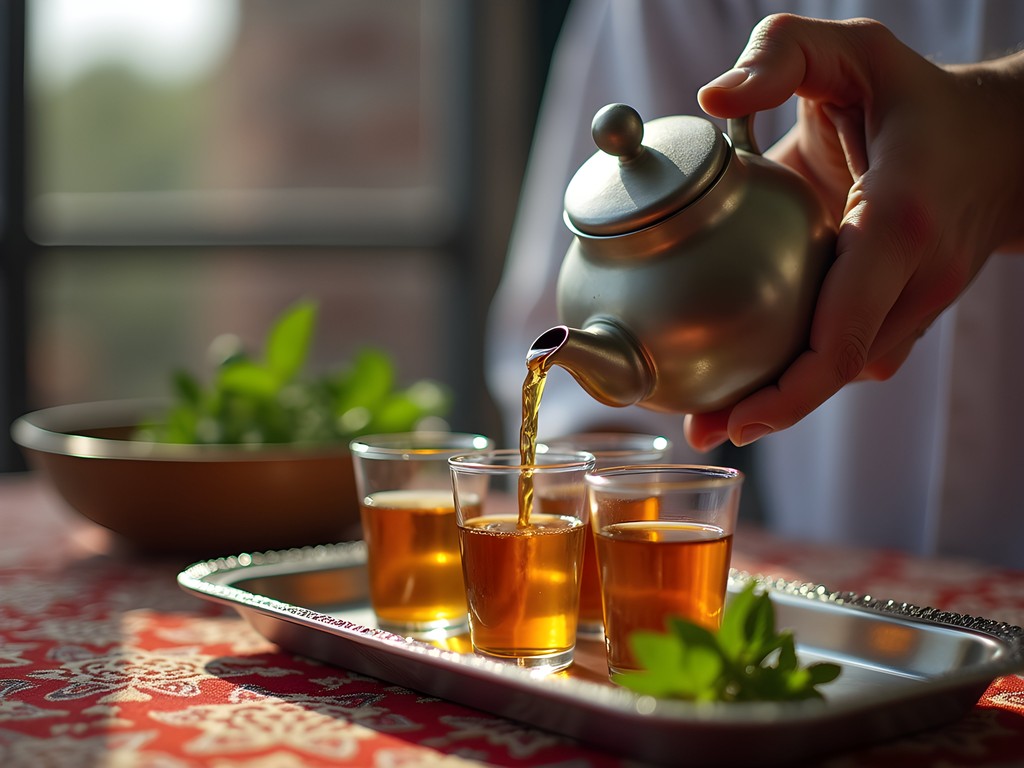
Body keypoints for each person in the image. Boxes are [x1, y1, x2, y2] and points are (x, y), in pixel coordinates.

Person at [485, 0, 1024, 567]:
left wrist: (1000, 120)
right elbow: (594, 418)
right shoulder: (591, 255)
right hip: (844, 570)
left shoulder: (752, 188)